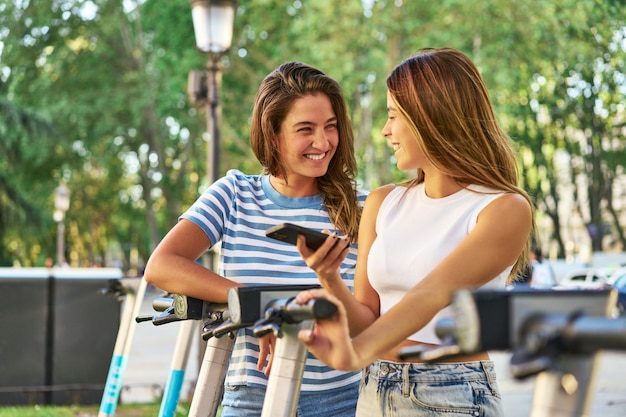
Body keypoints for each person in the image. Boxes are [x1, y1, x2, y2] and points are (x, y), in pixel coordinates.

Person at [293, 47, 534, 417]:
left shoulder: (502, 208)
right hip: (375, 386)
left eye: (393, 116)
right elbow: (368, 319)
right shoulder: (382, 202)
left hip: (451, 391)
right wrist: (328, 279)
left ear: (430, 116)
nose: (386, 130)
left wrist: (355, 352)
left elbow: (431, 293)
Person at [144, 61, 368, 417]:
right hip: (253, 395)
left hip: (341, 398)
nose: (323, 142)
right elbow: (161, 266)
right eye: (305, 129)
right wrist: (258, 306)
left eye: (330, 127)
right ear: (273, 134)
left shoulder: (362, 207)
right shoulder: (235, 194)